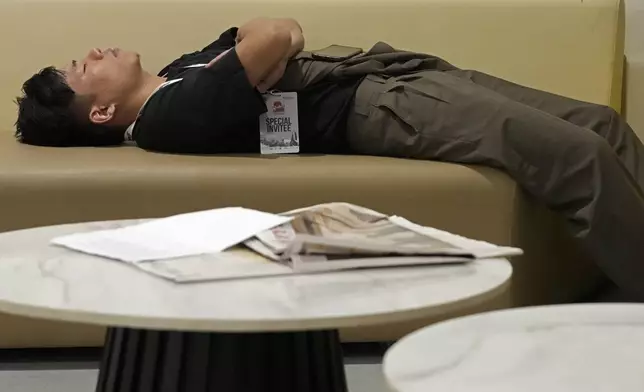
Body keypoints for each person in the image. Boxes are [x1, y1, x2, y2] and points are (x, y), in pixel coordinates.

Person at [15, 17, 644, 298]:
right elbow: (271, 34)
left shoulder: (184, 73)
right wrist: (264, 48)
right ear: (100, 114)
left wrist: (264, 51)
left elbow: (273, 28)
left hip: (396, 72)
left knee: (602, 121)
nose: (94, 52)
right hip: (386, 105)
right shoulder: (170, 117)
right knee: (577, 155)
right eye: (82, 68)